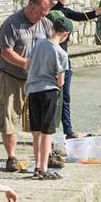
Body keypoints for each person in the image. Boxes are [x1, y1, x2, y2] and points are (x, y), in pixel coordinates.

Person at [0, 0, 53, 172]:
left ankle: (44, 156)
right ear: (30, 5)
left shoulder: (45, 24)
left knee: (39, 120)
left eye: (45, 13)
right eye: (40, 12)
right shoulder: (12, 23)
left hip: (37, 80)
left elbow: (53, 43)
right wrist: (26, 63)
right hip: (11, 77)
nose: (42, 16)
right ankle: (11, 157)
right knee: (9, 116)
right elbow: (6, 52)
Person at [44, 0, 101, 139]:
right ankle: (45, 132)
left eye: (57, 0)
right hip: (49, 63)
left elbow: (80, 16)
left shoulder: (62, 11)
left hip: (64, 62)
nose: (56, 3)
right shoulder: (47, 15)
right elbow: (58, 6)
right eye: (52, 0)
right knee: (48, 99)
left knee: (65, 97)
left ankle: (68, 130)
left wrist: (97, 12)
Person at [25, 16, 72, 180]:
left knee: (36, 132)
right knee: (47, 132)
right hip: (49, 91)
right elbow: (60, 81)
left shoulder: (38, 43)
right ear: (66, 33)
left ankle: (37, 167)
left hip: (33, 90)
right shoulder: (61, 53)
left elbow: (27, 65)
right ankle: (44, 168)